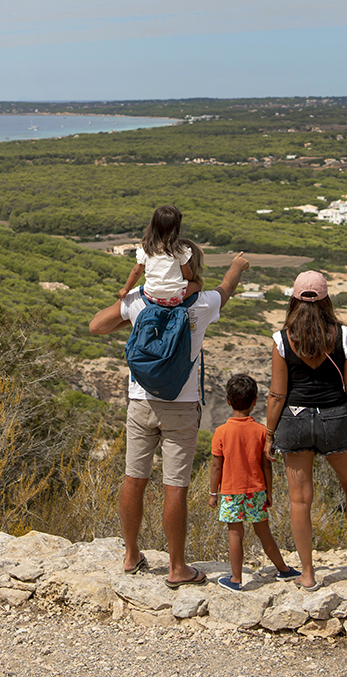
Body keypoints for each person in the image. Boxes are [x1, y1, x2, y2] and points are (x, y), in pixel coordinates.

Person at [90, 244, 249, 589]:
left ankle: (131, 555)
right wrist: (237, 265)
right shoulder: (201, 304)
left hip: (141, 402)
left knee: (134, 479)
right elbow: (227, 288)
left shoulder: (140, 300)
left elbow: (96, 326)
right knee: (174, 487)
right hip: (181, 405)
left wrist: (129, 318)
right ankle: (177, 567)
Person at [266, 271, 347, 591]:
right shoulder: (344, 336)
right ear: (327, 300)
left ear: (293, 299)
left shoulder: (282, 339)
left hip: (293, 420)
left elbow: (277, 394)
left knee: (300, 501)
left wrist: (269, 433)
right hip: (335, 416)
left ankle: (308, 575)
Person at [208, 373, 300, 591]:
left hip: (230, 492)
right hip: (256, 489)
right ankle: (284, 570)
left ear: (228, 400)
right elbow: (266, 465)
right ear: (254, 401)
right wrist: (269, 492)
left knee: (235, 534)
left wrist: (213, 493)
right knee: (263, 532)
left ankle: (236, 580)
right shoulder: (260, 431)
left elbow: (216, 467)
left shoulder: (220, 432)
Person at [118, 205, 199, 306]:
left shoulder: (147, 249)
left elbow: (136, 272)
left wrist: (126, 289)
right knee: (197, 284)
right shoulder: (179, 250)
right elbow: (187, 274)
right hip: (174, 297)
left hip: (151, 296)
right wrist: (192, 279)